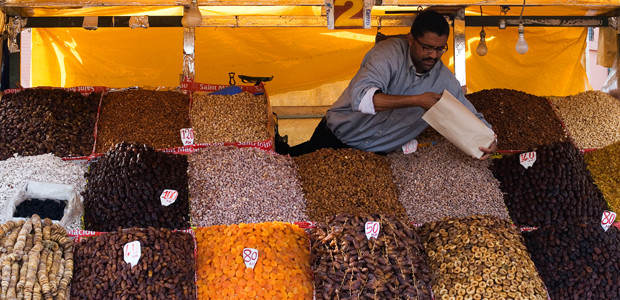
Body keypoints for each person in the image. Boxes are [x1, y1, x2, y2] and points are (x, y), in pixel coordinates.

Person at [278, 9, 497, 159]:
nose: (433, 55)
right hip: (333, 140)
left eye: (440, 49)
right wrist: (417, 101)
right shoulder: (387, 54)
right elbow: (362, 99)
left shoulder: (445, 80)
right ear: (411, 39)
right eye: (427, 47)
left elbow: (468, 114)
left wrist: (488, 138)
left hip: (377, 158)